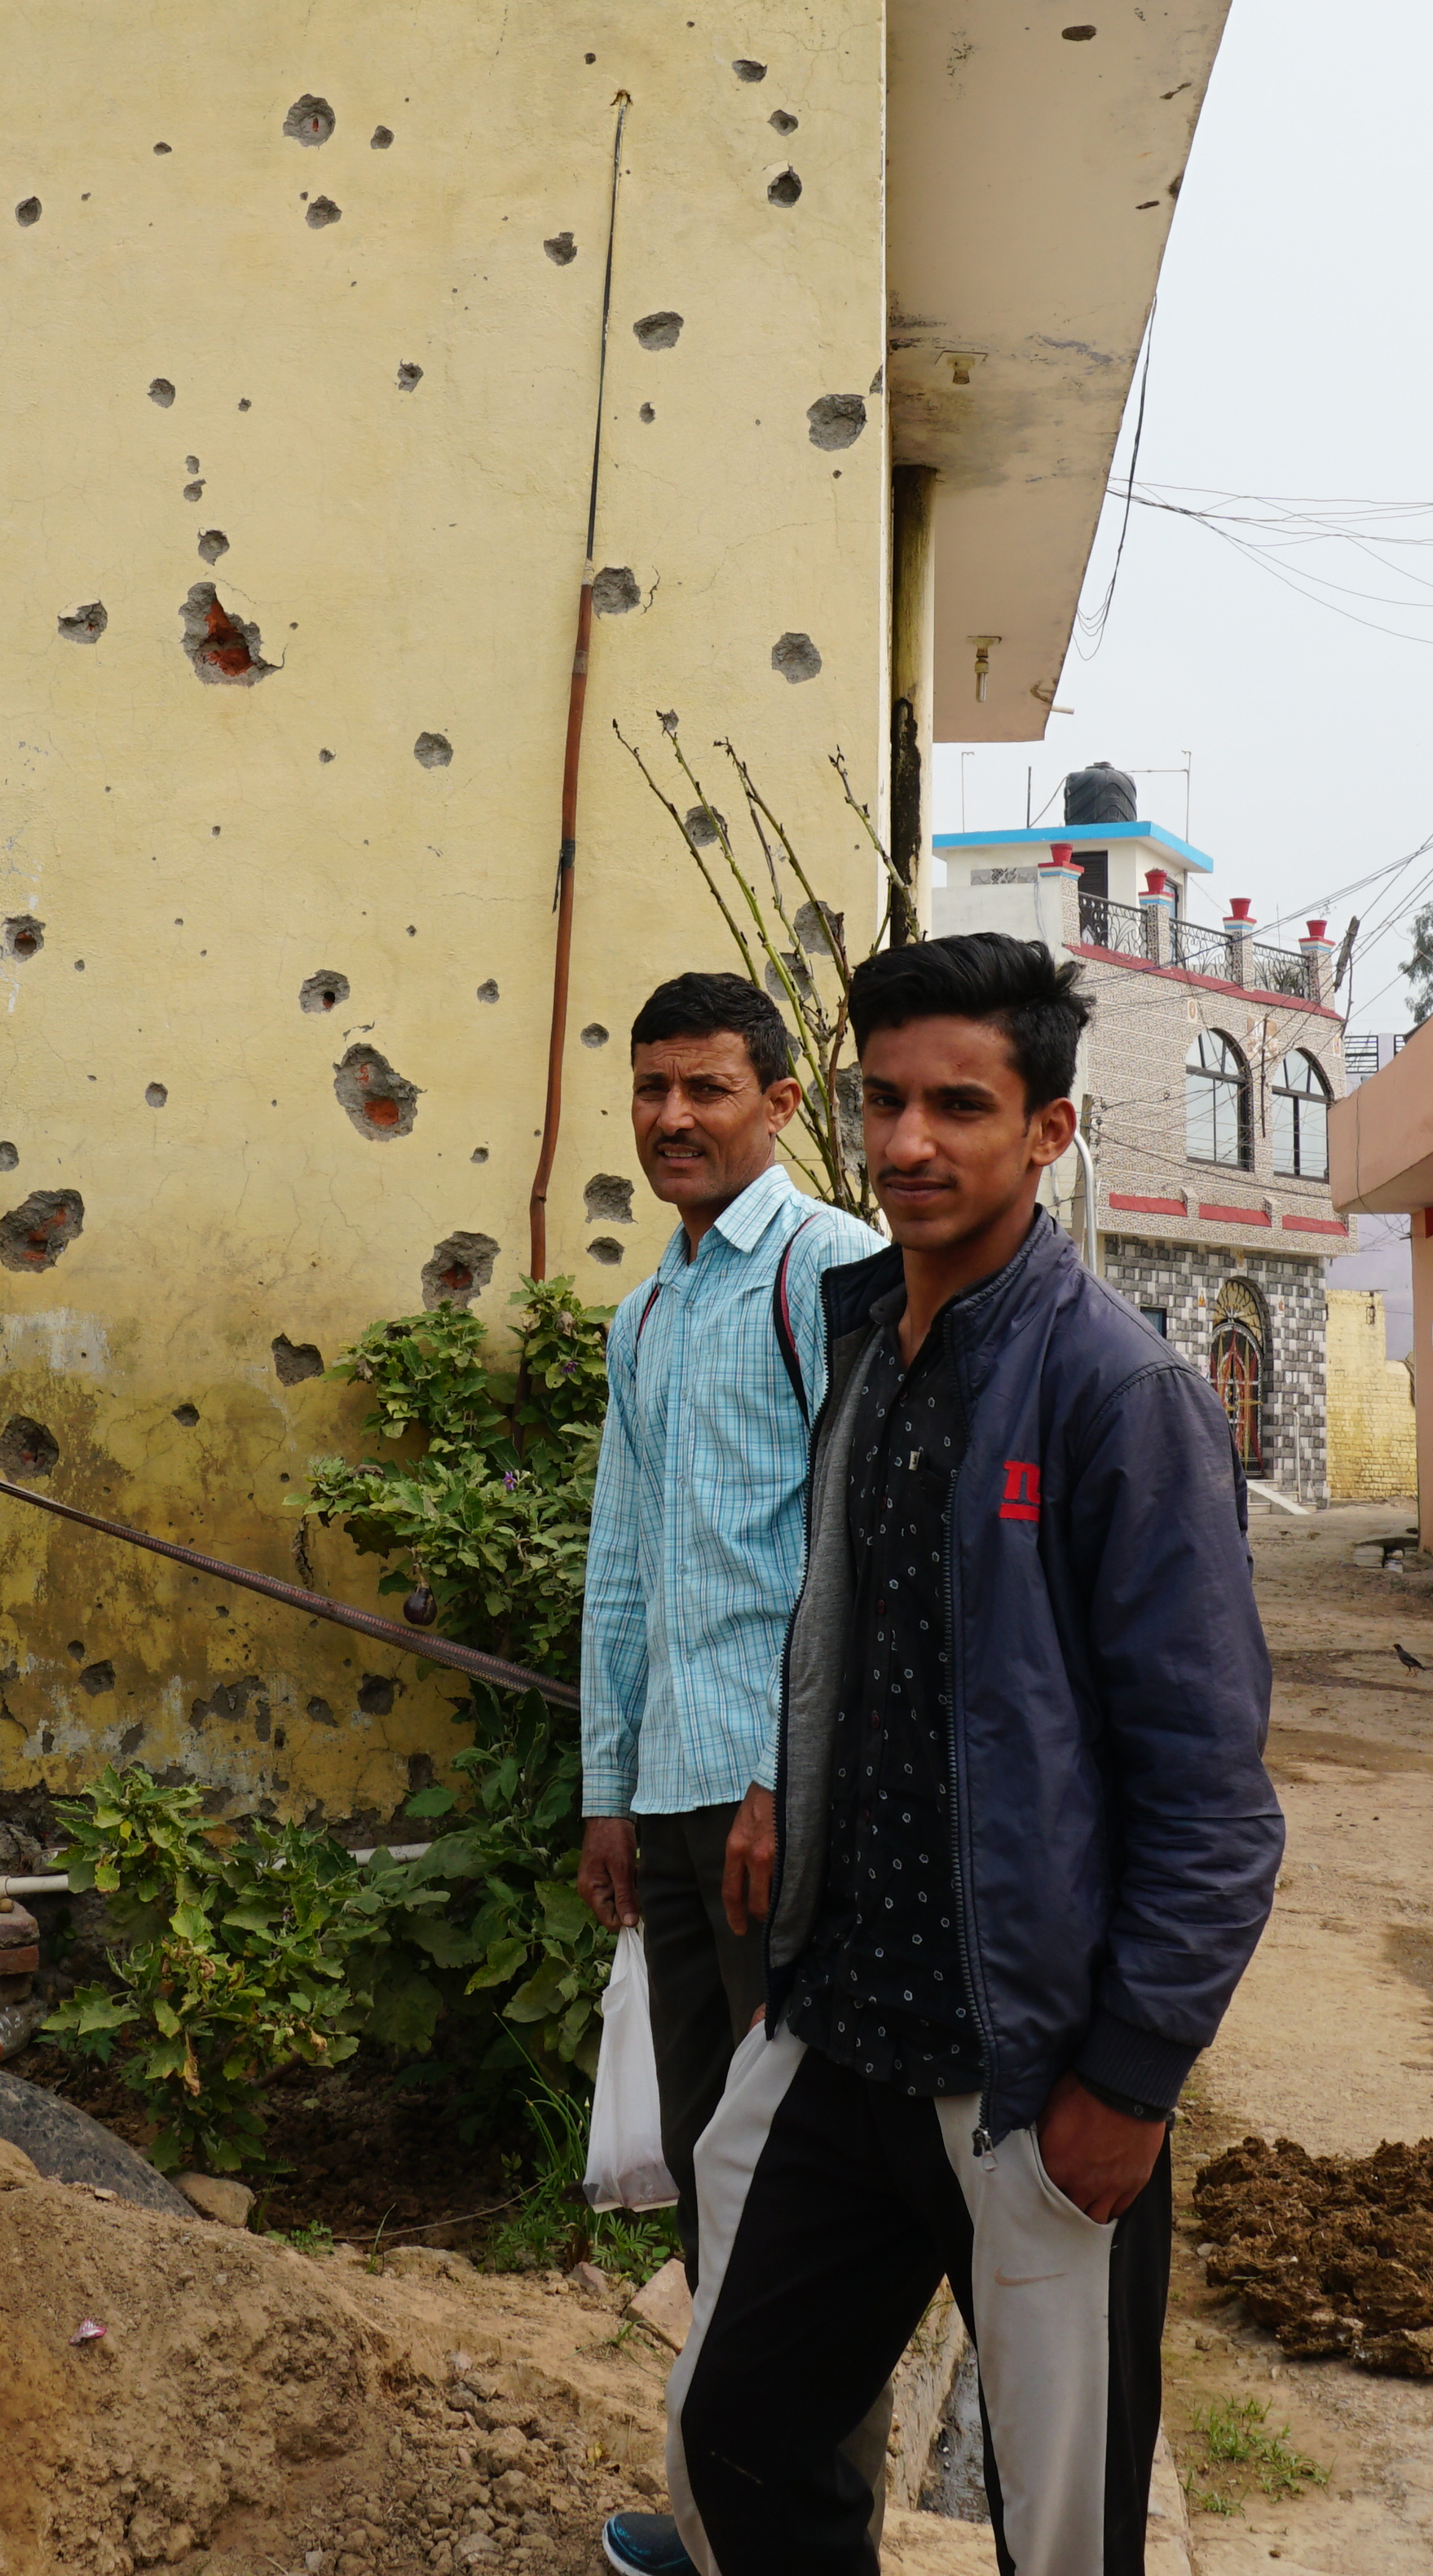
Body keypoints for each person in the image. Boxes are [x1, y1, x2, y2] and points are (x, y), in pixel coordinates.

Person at [651, 931, 1279, 2576]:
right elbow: (857, 1641)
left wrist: (1131, 2077)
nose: (910, 1142)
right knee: (735, 2431)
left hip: (1028, 2070)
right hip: (844, 2024)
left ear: (1048, 1130)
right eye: (885, 1102)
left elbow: (1211, 1794)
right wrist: (789, 1799)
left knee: (1064, 2532)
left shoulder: (1117, 1393)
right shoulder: (866, 1337)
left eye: (961, 1105)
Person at [573, 974, 886, 2298]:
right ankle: (723, 2424)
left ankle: (810, 2429)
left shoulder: (828, 1270)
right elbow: (622, 1567)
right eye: (651, 1090)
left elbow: (858, 1547)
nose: (673, 1118)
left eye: (707, 1088)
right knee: (706, 2137)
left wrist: (779, 1778)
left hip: (783, 1802)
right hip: (673, 1799)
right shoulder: (647, 1313)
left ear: (780, 1101)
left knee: (794, 2151)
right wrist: (609, 1794)